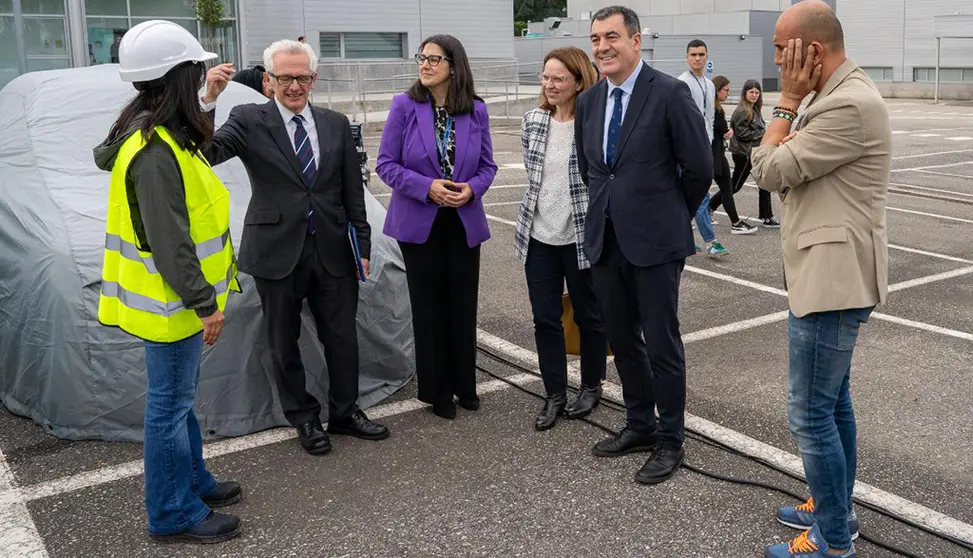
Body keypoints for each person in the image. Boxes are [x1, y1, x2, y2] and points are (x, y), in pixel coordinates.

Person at [200, 39, 390, 455]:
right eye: (285, 78)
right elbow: (205, 152)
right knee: (283, 342)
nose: (294, 86)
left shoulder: (335, 123)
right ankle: (303, 419)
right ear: (268, 80)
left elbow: (351, 191)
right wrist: (208, 101)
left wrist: (361, 242)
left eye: (302, 77)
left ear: (313, 79)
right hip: (275, 250)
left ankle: (344, 413)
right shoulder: (248, 118)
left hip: (333, 250)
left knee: (342, 337)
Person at [749, 2, 891, 557]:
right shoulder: (832, 95)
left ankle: (834, 537)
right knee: (833, 405)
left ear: (812, 51)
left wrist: (784, 103)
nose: (776, 58)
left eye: (782, 48)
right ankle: (834, 505)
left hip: (833, 281)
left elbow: (767, 169)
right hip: (829, 272)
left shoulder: (846, 105)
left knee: (809, 413)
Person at [94, 20, 243, 543]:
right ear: (178, 77)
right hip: (173, 305)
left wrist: (208, 98)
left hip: (169, 302)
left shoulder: (156, 134)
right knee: (168, 408)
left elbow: (194, 142)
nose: (201, 73)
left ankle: (193, 481)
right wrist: (206, 304)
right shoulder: (155, 153)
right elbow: (171, 243)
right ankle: (173, 511)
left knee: (176, 401)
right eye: (196, 70)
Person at [576, 6, 712, 484]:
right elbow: (591, 169)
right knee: (622, 340)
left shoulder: (670, 93)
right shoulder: (590, 101)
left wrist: (670, 214)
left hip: (656, 244)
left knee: (661, 343)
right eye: (595, 39)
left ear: (636, 41)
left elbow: (699, 168)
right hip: (606, 242)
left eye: (611, 36)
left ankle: (671, 439)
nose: (602, 47)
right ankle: (640, 424)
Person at [375, 35, 498, 420]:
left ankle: (465, 384)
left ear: (454, 66)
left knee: (463, 305)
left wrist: (471, 189)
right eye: (422, 58)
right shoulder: (404, 106)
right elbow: (385, 164)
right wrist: (426, 187)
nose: (424, 65)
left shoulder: (475, 110)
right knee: (429, 307)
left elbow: (488, 166)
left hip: (462, 220)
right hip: (419, 221)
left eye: (433, 59)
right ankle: (437, 389)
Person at [517, 46, 606, 431]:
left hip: (581, 236)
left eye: (558, 79)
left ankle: (591, 385)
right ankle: (554, 393)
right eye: (546, 77)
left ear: (579, 81)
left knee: (589, 315)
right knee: (545, 319)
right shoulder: (533, 121)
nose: (549, 85)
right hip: (539, 236)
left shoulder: (594, 123)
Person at [677, 39, 729, 257]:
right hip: (687, 148)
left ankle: (682, 235)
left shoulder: (709, 85)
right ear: (687, 57)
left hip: (705, 145)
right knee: (701, 195)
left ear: (707, 56)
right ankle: (711, 241)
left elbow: (708, 117)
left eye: (701, 54)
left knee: (690, 194)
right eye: (693, 55)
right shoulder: (681, 83)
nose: (697, 58)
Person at [718, 79, 781, 228]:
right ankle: (710, 207)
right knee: (735, 185)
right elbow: (741, 133)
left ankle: (766, 216)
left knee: (763, 183)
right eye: (751, 92)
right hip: (744, 154)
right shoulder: (742, 111)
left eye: (757, 92)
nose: (754, 95)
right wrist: (761, 134)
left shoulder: (755, 108)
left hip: (755, 152)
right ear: (745, 93)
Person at [710, 75, 756, 234]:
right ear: (717, 91)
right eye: (726, 90)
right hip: (714, 154)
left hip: (716, 153)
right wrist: (727, 132)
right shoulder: (715, 110)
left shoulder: (714, 108)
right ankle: (735, 223)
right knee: (725, 188)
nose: (728, 93)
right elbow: (723, 129)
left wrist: (726, 133)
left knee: (726, 188)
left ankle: (734, 221)